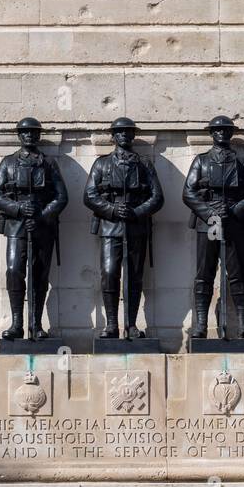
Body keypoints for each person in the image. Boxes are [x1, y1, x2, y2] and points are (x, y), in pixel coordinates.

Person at [0, 117, 68, 341]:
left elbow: (62, 197)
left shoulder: (49, 163)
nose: (30, 136)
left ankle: (36, 324)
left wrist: (42, 216)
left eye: (34, 132)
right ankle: (16, 324)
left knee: (39, 275)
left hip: (42, 226)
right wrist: (18, 208)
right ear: (19, 135)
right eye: (25, 132)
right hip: (16, 225)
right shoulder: (8, 163)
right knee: (14, 271)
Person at [83, 117, 164, 339]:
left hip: (136, 227)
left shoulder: (144, 164)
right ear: (113, 136)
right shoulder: (102, 164)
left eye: (128, 132)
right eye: (119, 132)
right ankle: (111, 324)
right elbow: (89, 195)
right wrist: (111, 209)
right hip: (110, 227)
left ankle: (131, 324)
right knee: (109, 274)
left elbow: (157, 197)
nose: (124, 136)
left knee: (134, 277)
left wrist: (137, 212)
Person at [182, 115, 244, 339]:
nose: (222, 134)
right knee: (204, 275)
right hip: (209, 223)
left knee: (237, 274)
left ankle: (243, 324)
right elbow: (188, 192)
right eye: (217, 130)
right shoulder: (201, 160)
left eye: (226, 130)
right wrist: (210, 213)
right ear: (211, 134)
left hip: (234, 222)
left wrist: (235, 210)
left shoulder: (242, 161)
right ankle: (201, 325)